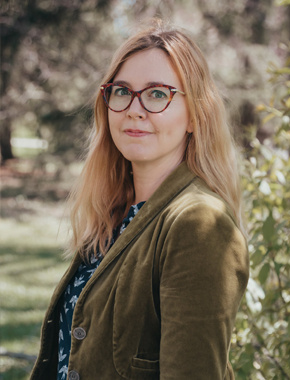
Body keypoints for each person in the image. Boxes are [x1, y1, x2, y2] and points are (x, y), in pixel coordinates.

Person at [30, 19, 249, 380]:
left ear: (194, 115)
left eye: (158, 93)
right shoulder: (114, 214)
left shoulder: (197, 225)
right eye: (122, 91)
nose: (134, 108)